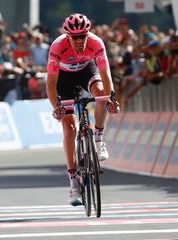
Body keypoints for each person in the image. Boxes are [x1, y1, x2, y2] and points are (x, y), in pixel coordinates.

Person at [46, 13, 120, 206]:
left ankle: (98, 138)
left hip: (87, 70)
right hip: (64, 78)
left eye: (83, 36)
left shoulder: (96, 43)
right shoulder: (57, 46)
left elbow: (105, 73)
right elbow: (51, 83)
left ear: (88, 34)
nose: (79, 40)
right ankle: (73, 184)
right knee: (69, 128)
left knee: (101, 93)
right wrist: (57, 108)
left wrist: (111, 98)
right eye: (75, 37)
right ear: (68, 36)